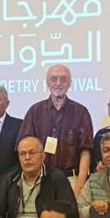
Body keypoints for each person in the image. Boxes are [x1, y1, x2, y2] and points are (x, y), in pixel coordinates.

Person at [18, 64, 95, 194]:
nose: (58, 83)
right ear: (47, 83)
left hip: (71, 180)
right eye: (54, 79)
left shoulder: (81, 112)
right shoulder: (35, 111)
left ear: (70, 83)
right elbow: (24, 148)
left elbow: (85, 151)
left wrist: (80, 186)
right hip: (40, 180)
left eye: (63, 79)